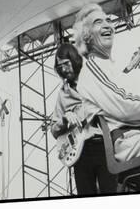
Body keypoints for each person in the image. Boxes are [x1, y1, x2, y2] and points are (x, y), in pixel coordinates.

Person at [72, 3, 140, 163]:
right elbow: (126, 106)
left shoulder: (111, 68)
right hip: (127, 141)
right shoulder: (92, 68)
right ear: (87, 36)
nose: (107, 25)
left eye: (108, 20)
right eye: (98, 22)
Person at [50, 43, 117, 195]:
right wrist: (65, 119)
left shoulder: (93, 81)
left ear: (75, 60)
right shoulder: (62, 94)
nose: (64, 70)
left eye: (66, 64)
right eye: (60, 67)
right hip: (80, 154)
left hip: (103, 146)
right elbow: (53, 130)